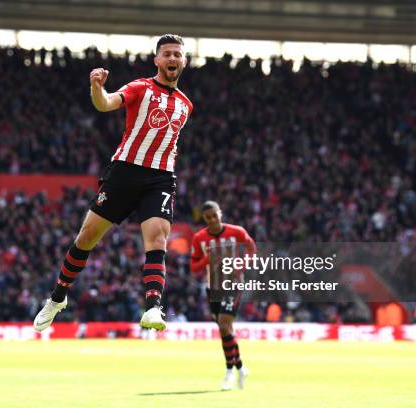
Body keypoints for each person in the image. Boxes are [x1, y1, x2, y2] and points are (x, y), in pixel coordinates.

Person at [34, 34, 193, 332]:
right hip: (124, 173)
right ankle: (57, 297)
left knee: (158, 238)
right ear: (157, 60)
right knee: (86, 237)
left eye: (177, 55)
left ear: (183, 61)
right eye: (167, 54)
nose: (172, 59)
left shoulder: (186, 105)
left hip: (160, 177)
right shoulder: (139, 87)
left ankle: (153, 308)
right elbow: (106, 104)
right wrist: (97, 87)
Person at [190, 201, 255, 390]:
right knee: (225, 329)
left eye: (214, 216)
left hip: (232, 284)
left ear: (221, 214)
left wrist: (241, 266)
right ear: (204, 219)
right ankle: (240, 367)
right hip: (213, 287)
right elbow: (194, 267)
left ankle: (228, 372)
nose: (211, 220)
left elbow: (252, 250)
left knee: (225, 324)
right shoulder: (199, 238)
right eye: (207, 218)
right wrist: (206, 259)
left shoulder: (236, 232)